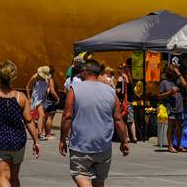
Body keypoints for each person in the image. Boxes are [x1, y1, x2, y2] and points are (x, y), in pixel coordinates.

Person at [59, 59, 129, 187]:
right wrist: (124, 140)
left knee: (80, 175)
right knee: (99, 181)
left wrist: (63, 139)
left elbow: (67, 116)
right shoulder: (110, 91)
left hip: (81, 145)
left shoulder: (74, 89)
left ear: (85, 72)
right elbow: (118, 119)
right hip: (103, 145)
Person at [0, 60, 40, 187]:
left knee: (3, 177)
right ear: (13, 76)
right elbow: (29, 121)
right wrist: (36, 141)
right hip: (18, 142)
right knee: (14, 178)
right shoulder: (21, 97)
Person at [158, 65, 187, 153]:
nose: (173, 73)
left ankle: (179, 145)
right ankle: (170, 146)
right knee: (171, 126)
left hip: (180, 107)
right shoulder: (164, 82)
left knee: (180, 127)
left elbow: (185, 84)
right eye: (172, 71)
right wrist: (170, 92)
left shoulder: (177, 81)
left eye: (174, 72)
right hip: (170, 107)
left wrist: (178, 73)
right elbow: (160, 96)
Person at [115, 62, 137, 143]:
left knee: (124, 120)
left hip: (123, 101)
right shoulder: (130, 78)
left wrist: (115, 89)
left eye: (120, 68)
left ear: (123, 69)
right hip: (130, 101)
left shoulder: (122, 78)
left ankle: (127, 137)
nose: (119, 70)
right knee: (131, 120)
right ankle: (134, 137)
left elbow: (120, 91)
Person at [26, 67, 51, 139]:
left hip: (42, 99)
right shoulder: (35, 77)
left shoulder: (47, 79)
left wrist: (47, 92)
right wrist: (29, 98)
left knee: (41, 116)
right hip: (36, 99)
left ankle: (39, 132)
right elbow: (27, 86)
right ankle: (40, 133)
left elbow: (48, 87)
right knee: (42, 115)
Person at [41, 67, 60, 140]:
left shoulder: (43, 78)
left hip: (44, 99)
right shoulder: (50, 79)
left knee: (45, 117)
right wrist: (57, 98)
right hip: (50, 100)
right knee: (49, 117)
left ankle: (42, 132)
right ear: (52, 73)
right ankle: (48, 134)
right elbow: (52, 91)